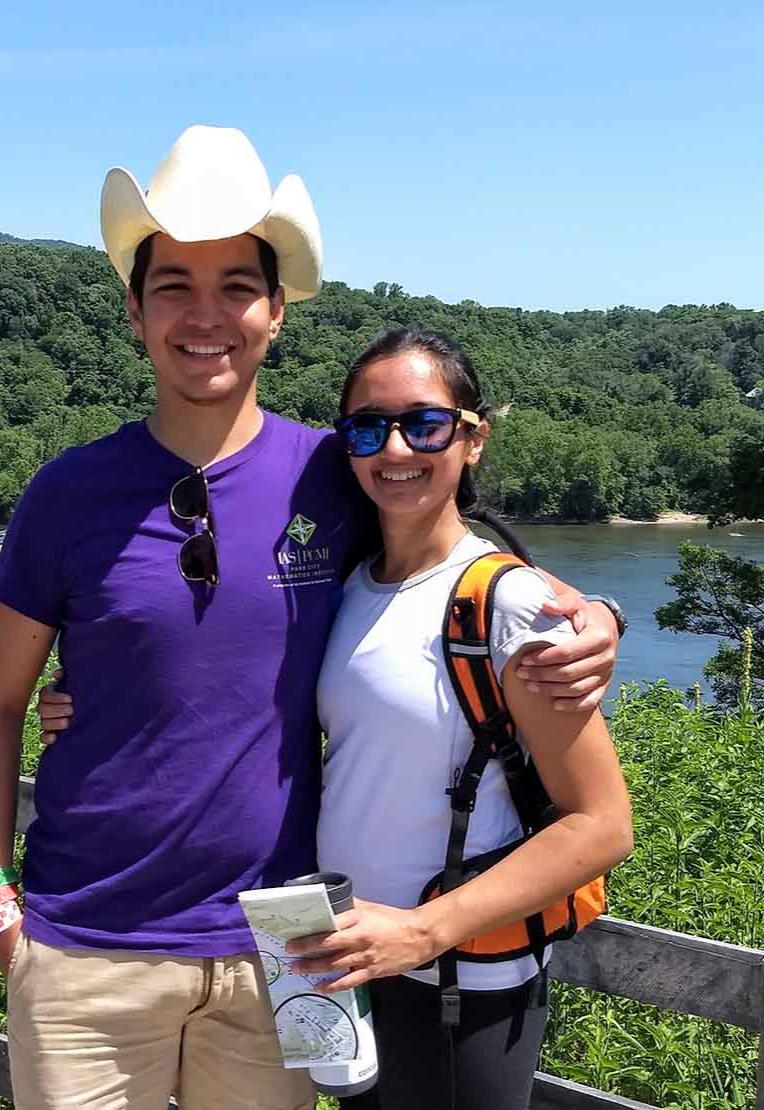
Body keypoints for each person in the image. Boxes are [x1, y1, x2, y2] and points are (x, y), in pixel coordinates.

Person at [0, 125, 623, 1110]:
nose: (206, 315)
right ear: (135, 312)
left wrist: (593, 611)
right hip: (87, 946)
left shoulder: (335, 469)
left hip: (282, 949)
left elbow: (444, 544)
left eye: (237, 286)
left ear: (276, 312)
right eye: (173, 286)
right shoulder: (66, 496)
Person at [283, 328, 634, 1109]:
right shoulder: (347, 586)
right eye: (368, 428)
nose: (395, 447)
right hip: (349, 959)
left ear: (472, 439)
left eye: (425, 424)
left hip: (460, 979)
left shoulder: (509, 604)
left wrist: (424, 931)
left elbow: (603, 825)